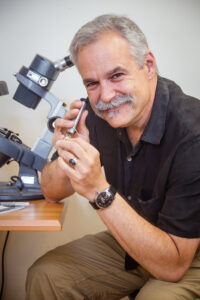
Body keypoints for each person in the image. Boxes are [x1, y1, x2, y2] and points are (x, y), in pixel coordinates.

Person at [26, 14, 200, 300]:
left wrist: (97, 189)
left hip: (187, 252)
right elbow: (51, 191)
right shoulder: (95, 113)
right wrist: (69, 148)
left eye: (116, 75)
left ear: (148, 65)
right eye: (92, 83)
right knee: (46, 276)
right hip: (133, 237)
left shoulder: (192, 134)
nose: (105, 96)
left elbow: (173, 266)